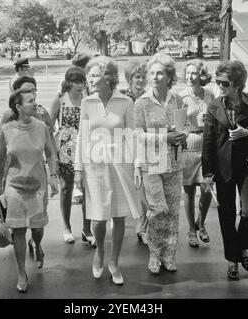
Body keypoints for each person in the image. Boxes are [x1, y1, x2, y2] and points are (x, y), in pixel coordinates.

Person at [74, 56, 142, 285]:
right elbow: (82, 138)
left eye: (94, 75)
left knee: (119, 216)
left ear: (109, 78)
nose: (90, 80)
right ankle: (100, 251)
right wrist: (78, 169)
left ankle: (114, 261)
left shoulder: (125, 102)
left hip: (121, 165)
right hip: (94, 166)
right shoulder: (87, 103)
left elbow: (132, 137)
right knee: (99, 219)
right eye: (89, 75)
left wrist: (138, 166)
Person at [202, 60, 248, 280]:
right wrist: (207, 173)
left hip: (247, 164)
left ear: (237, 85)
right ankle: (233, 260)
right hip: (223, 169)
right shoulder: (214, 106)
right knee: (227, 214)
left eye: (224, 82)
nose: (220, 86)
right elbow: (209, 141)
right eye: (217, 81)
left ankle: (241, 247)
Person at [0, 88, 59, 293]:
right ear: (19, 106)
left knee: (37, 228)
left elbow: (50, 153)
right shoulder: (6, 130)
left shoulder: (41, 127)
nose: (35, 104)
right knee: (19, 229)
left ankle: (37, 244)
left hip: (38, 185)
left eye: (35, 100)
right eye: (30, 101)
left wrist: (53, 175)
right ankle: (22, 272)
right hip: (14, 185)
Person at [134, 53, 189, 274]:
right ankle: (154, 252)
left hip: (174, 164)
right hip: (151, 164)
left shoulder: (178, 100)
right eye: (152, 73)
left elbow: (184, 127)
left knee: (173, 212)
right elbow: (137, 134)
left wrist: (182, 135)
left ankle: (168, 254)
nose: (155, 77)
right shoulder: (142, 102)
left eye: (160, 73)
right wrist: (164, 137)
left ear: (169, 77)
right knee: (158, 210)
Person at [49, 66, 95, 246]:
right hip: (65, 150)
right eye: (75, 82)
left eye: (81, 82)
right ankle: (67, 228)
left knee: (88, 190)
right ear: (68, 82)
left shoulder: (89, 99)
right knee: (66, 188)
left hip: (86, 148)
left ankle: (87, 228)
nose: (79, 85)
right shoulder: (60, 100)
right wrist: (52, 153)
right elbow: (49, 126)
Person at [179, 59, 214, 248]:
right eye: (188, 73)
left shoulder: (210, 95)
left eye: (194, 73)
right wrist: (188, 128)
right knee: (189, 190)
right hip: (189, 145)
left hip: (208, 146)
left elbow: (218, 119)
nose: (190, 77)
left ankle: (201, 223)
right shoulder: (182, 97)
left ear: (202, 75)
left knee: (207, 187)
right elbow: (177, 124)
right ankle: (192, 230)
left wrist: (209, 120)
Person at [119, 59, 149, 245]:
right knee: (126, 189)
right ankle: (119, 221)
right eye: (137, 76)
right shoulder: (122, 97)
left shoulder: (148, 97)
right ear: (130, 78)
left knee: (143, 190)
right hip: (125, 148)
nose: (141, 80)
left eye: (143, 77)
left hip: (144, 148)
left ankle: (143, 227)